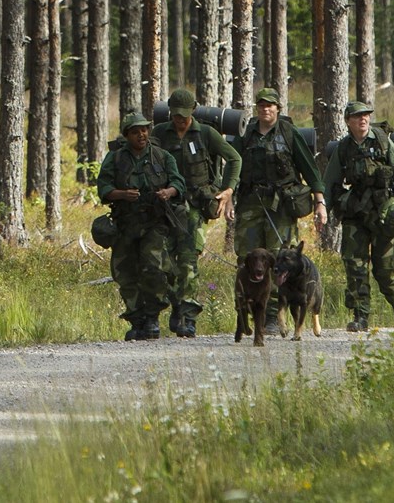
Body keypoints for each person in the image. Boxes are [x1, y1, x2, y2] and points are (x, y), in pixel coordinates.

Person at [230, 88, 326, 334]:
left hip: (281, 205)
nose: (265, 109)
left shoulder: (289, 133)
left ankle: (273, 315)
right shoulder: (247, 134)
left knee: (279, 259)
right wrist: (227, 194)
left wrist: (319, 202)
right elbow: (233, 165)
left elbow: (309, 168)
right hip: (251, 201)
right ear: (257, 108)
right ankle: (249, 311)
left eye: (270, 105)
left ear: (278, 108)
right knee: (248, 258)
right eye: (261, 105)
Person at [323, 101, 394, 332]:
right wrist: (322, 209)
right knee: (355, 266)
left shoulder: (382, 142)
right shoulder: (343, 148)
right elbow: (330, 182)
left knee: (386, 269)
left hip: (383, 215)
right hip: (355, 215)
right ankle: (360, 316)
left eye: (367, 115)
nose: (363, 119)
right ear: (348, 121)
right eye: (358, 116)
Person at [151, 89, 241, 337]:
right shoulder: (160, 133)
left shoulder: (206, 134)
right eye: (175, 114)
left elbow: (234, 159)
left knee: (188, 261)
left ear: (193, 111)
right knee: (164, 261)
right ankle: (176, 306)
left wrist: (228, 189)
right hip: (167, 206)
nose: (180, 119)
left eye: (184, 115)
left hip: (194, 207)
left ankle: (188, 316)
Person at [98, 112, 190, 341]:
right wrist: (121, 194)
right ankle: (137, 320)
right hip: (125, 224)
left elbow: (178, 182)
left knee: (153, 266)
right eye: (136, 131)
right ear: (127, 134)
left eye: (144, 130)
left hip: (154, 223)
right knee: (124, 272)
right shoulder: (116, 158)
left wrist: (168, 192)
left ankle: (152, 316)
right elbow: (103, 188)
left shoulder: (162, 156)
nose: (141, 134)